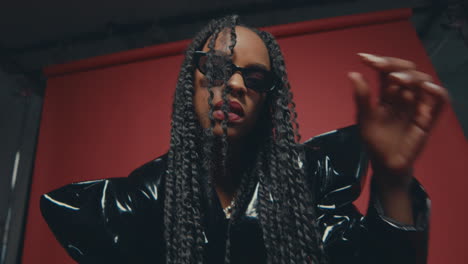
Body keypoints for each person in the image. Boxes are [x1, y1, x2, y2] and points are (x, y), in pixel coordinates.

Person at [40, 15, 448, 264]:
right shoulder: (148, 196)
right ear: (191, 85)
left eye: (255, 77)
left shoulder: (308, 178)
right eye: (217, 67)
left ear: (269, 100)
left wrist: (394, 179)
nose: (234, 84)